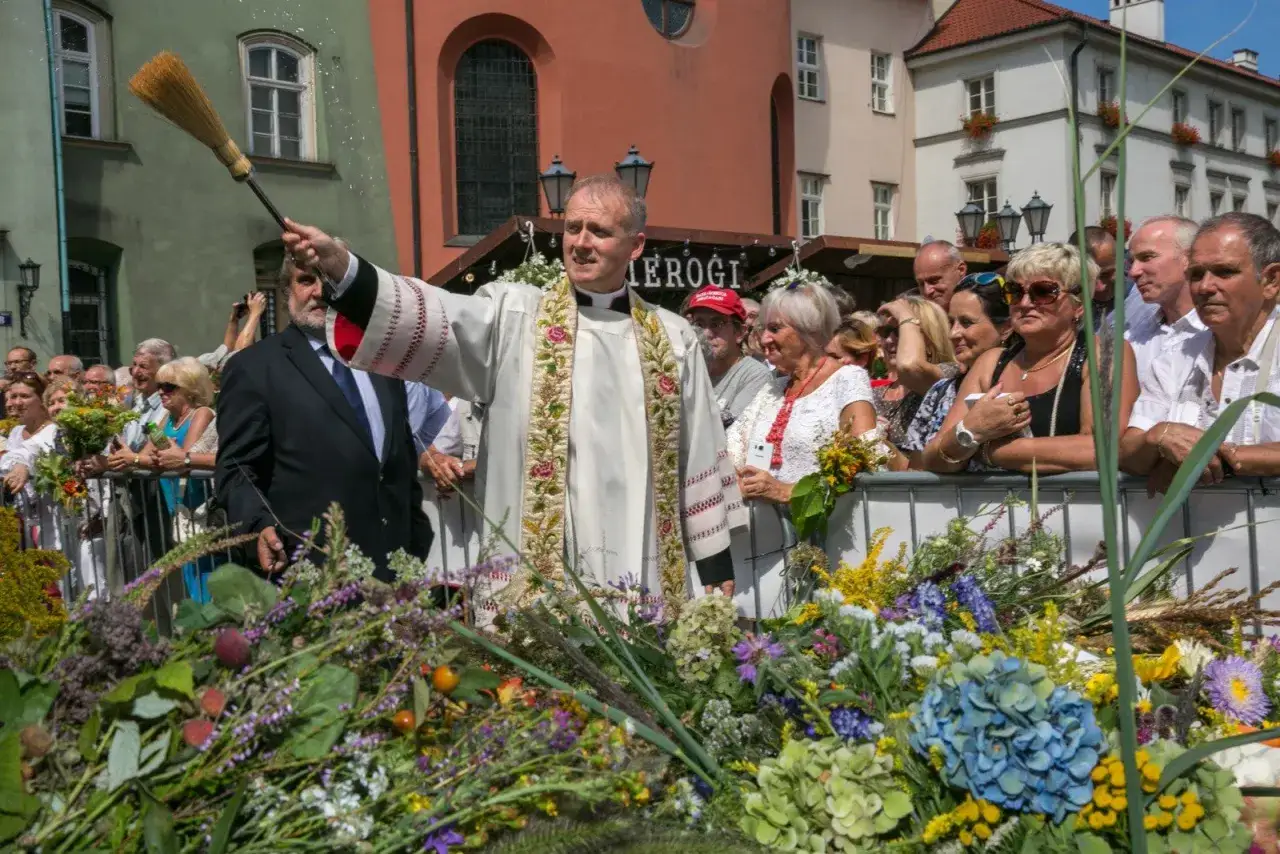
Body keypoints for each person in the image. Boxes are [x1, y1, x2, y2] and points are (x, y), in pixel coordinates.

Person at [285, 174, 745, 611]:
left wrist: (712, 559)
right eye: (573, 228)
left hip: (643, 563)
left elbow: (699, 448)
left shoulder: (673, 339)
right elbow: (432, 314)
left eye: (599, 231)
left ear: (635, 245)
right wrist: (343, 270)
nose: (581, 243)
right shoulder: (515, 316)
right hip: (542, 568)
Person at [215, 252, 433, 582]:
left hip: (394, 571)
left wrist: (416, 534)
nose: (319, 291)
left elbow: (398, 455)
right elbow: (237, 468)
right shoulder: (255, 368)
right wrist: (258, 525)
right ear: (288, 292)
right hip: (311, 572)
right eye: (305, 280)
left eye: (330, 280)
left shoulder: (379, 361)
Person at [727, 281, 879, 613]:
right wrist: (734, 478)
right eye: (762, 329)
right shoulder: (773, 389)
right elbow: (730, 449)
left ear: (809, 329)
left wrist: (786, 491)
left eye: (775, 328)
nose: (764, 339)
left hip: (832, 547)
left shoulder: (847, 379)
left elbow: (865, 457)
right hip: (766, 553)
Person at [931, 243, 1139, 473]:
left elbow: (1103, 448)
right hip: (996, 507)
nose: (1025, 303)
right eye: (1014, 292)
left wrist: (987, 450)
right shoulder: (991, 362)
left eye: (1043, 292)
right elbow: (933, 456)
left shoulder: (1105, 353)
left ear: (1078, 305)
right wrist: (970, 429)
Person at [1121, 213, 1280, 490]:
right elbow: (1128, 455)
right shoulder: (1176, 357)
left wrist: (1212, 458)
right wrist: (1158, 437)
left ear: (1271, 281)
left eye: (1225, 272)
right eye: (1196, 274)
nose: (1205, 287)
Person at [908, 273, 1020, 471]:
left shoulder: (1022, 386)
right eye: (952, 323)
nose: (953, 333)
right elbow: (915, 474)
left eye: (966, 323)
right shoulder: (940, 392)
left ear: (1006, 328)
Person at [129, 357, 219, 601]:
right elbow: (146, 454)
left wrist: (134, 460)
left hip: (198, 502)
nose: (161, 392)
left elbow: (182, 458)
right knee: (189, 564)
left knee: (205, 568)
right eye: (159, 386)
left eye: (168, 387)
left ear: (189, 389)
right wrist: (133, 458)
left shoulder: (200, 414)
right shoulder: (166, 419)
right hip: (176, 503)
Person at [1125, 216, 1206, 390]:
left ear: (1189, 258)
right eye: (1131, 261)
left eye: (1147, 257)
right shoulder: (1134, 339)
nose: (1133, 271)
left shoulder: (1223, 335)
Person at [872, 295, 959, 456]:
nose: (889, 340)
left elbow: (910, 366)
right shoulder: (875, 393)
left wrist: (906, 316)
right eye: (885, 332)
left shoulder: (950, 375)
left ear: (929, 338)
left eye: (899, 331)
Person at [684, 285, 773, 427]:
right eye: (699, 324)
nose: (706, 333)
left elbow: (731, 432)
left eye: (717, 324)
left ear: (740, 333)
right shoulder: (687, 371)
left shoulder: (754, 375)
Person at [0, 373, 58, 548]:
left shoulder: (54, 430)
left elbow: (31, 452)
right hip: (23, 517)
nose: (16, 403)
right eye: (13, 397)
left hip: (52, 516)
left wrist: (22, 466)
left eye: (24, 396)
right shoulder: (17, 431)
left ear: (42, 400)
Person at [201, 292, 269, 372]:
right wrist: (255, 314)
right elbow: (239, 355)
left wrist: (234, 320)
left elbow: (225, 351)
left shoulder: (198, 363)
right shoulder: (192, 370)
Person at [913, 241, 968, 312]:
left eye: (934, 281)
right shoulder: (911, 311)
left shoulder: (983, 309)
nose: (927, 291)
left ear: (961, 270)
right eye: (921, 284)